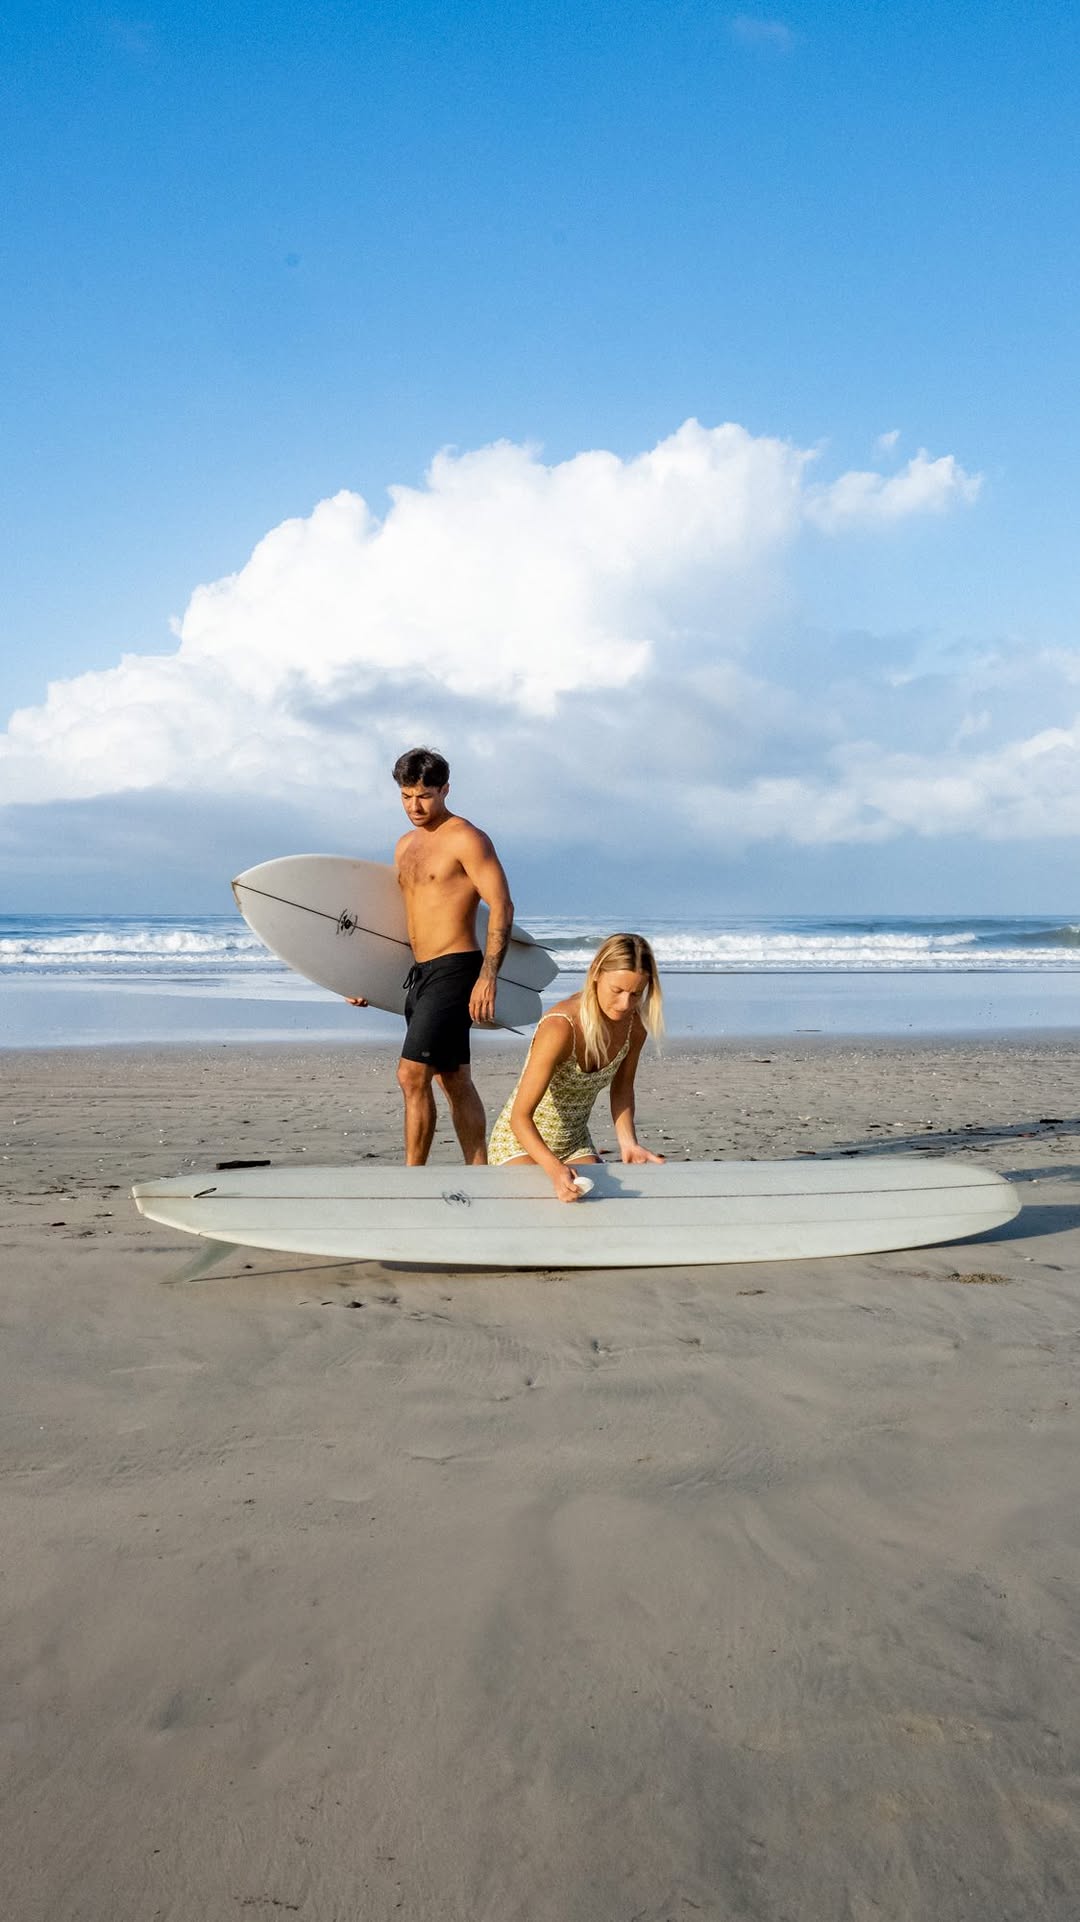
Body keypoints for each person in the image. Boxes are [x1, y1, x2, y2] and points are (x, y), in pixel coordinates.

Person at [351, 746, 514, 1166]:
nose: (414, 806)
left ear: (445, 790)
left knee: (411, 1075)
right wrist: (368, 979)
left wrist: (488, 976)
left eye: (424, 795)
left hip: (456, 968)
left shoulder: (466, 838)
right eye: (406, 796)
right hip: (420, 973)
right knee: (453, 1078)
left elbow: (501, 905)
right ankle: (479, 1170)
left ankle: (413, 1176)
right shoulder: (405, 845)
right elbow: (403, 921)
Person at [487, 933, 665, 1202]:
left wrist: (629, 1143)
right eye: (617, 991)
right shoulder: (561, 1026)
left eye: (636, 994)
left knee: (603, 1204)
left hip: (575, 1143)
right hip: (520, 1142)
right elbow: (519, 1117)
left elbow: (622, 1089)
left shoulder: (634, 1026)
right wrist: (554, 1169)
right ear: (596, 973)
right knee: (545, 1206)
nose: (625, 1004)